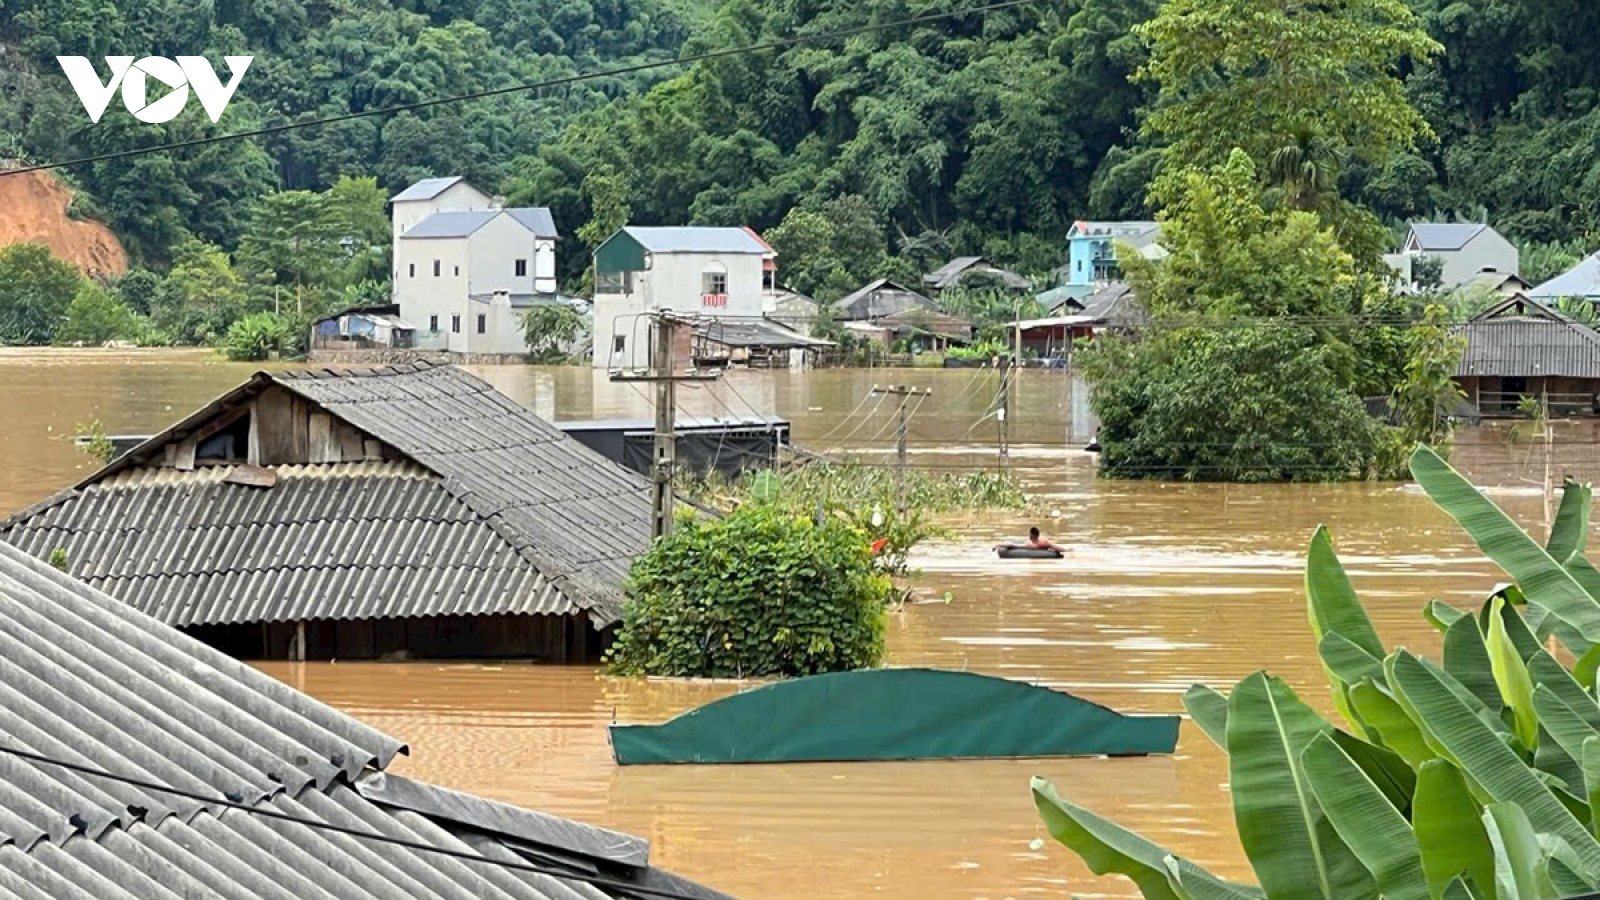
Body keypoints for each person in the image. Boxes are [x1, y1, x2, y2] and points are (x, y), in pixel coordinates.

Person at [995, 527, 1065, 553]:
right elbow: (1054, 546)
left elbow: (1012, 545)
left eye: (1030, 534)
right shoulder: (1044, 540)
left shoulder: (1032, 545)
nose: (1029, 535)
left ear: (1032, 535)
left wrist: (998, 545)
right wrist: (1067, 550)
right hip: (1036, 543)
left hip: (1030, 545)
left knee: (1014, 542)